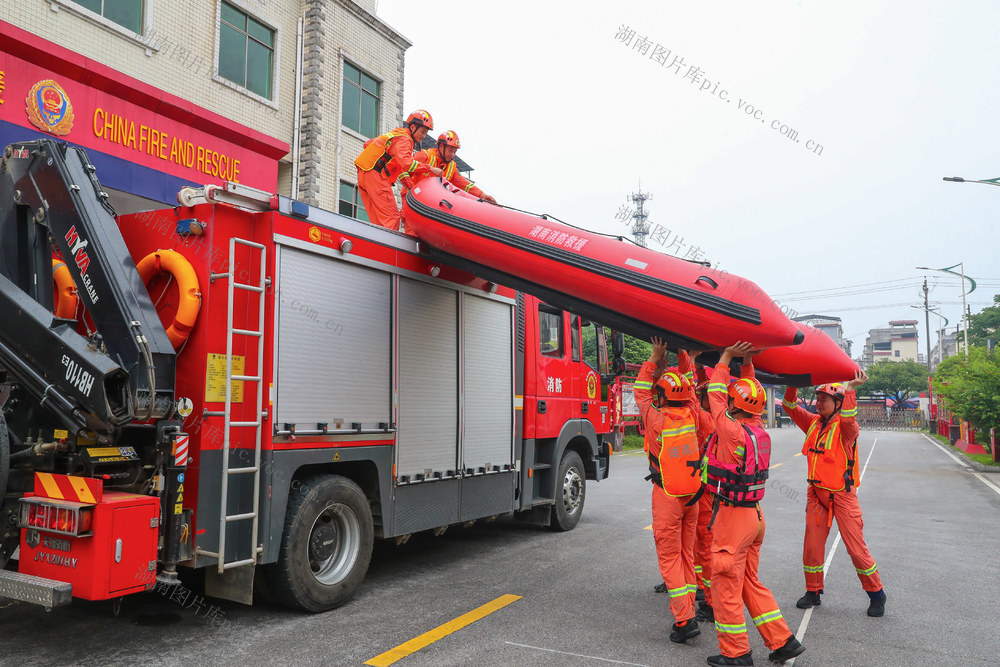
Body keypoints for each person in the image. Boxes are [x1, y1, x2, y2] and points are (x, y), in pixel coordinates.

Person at [704, 342, 805, 666]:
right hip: (755, 518)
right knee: (749, 582)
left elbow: (715, 396)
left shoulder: (731, 431)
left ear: (735, 404)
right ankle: (783, 641)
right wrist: (747, 363)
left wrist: (726, 358)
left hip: (733, 521)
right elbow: (751, 396)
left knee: (725, 587)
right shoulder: (758, 428)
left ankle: (735, 654)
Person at [781, 370, 887, 617]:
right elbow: (789, 406)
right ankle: (813, 591)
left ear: (838, 403)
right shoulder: (813, 422)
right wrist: (793, 384)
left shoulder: (847, 428)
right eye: (817, 399)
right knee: (812, 546)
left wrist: (851, 390)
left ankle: (876, 594)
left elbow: (849, 419)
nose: (818, 403)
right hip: (816, 494)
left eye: (824, 400)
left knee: (856, 549)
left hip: (842, 495)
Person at [633, 337, 713, 644]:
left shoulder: (655, 418)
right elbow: (690, 387)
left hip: (667, 496)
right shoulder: (693, 414)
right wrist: (684, 357)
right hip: (692, 498)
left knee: (670, 559)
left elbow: (641, 390)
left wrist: (655, 357)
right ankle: (688, 610)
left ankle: (684, 620)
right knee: (686, 556)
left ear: (662, 396)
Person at [354, 109, 443, 230]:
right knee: (392, 219)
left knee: (378, 221)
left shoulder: (396, 134)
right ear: (413, 127)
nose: (423, 136)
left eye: (425, 133)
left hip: (364, 174)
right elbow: (407, 163)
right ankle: (386, 243)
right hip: (376, 176)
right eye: (422, 131)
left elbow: (368, 144)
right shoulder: (405, 139)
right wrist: (430, 168)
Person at [405, 130, 496, 204]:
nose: (452, 155)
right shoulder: (425, 155)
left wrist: (482, 195)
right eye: (450, 150)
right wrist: (411, 188)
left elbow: (465, 184)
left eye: (455, 152)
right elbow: (404, 168)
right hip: (412, 198)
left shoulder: (452, 167)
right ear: (441, 146)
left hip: (431, 203)